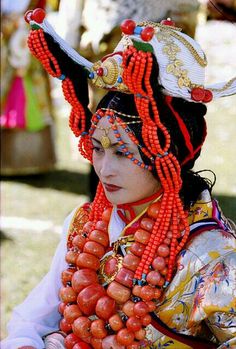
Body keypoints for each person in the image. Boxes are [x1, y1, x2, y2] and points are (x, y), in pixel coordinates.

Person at [2, 8, 236, 349]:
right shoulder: (86, 223)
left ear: (168, 156)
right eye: (97, 148)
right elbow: (32, 318)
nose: (104, 169)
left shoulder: (212, 255)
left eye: (124, 153)